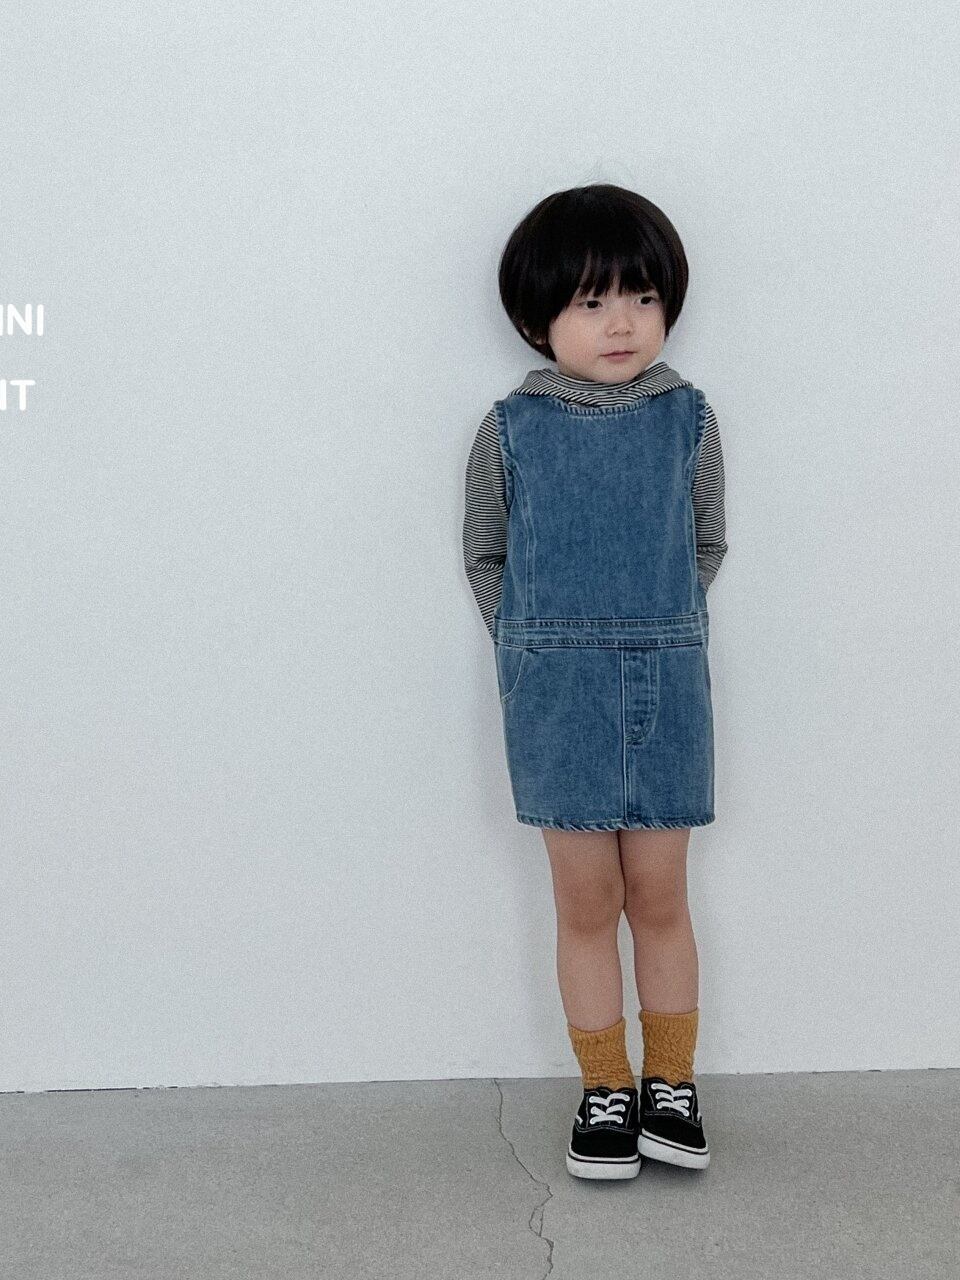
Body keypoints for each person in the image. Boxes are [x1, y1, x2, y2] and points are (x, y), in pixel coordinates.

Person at [463, 183, 728, 1181]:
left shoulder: (687, 418)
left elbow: (704, 541)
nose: (621, 322)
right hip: (555, 695)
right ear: (538, 319)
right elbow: (484, 555)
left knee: (660, 895)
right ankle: (604, 1088)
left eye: (641, 297)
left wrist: (655, 626)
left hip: (668, 685)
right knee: (584, 902)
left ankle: (672, 1084)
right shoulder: (510, 428)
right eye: (590, 300)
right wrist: (535, 646)